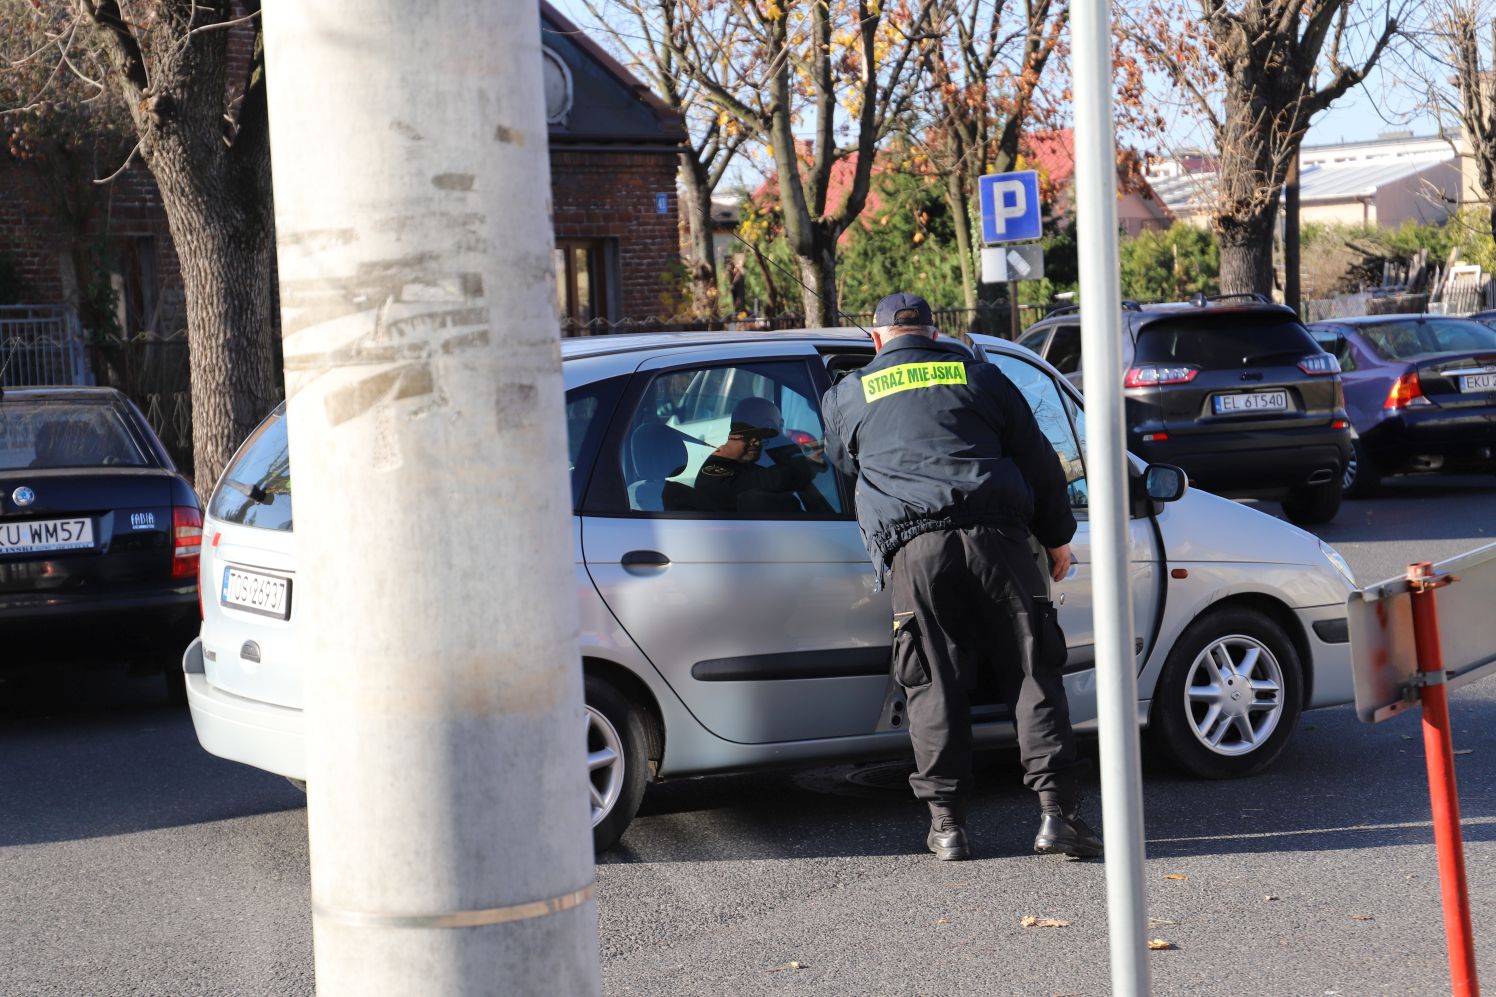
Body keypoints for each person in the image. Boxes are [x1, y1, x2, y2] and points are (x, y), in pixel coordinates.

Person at [820, 291, 1100, 861]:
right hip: (1000, 540)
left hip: (916, 550)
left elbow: (841, 466)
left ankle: (948, 827)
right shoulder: (984, 377)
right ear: (934, 333)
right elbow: (1040, 462)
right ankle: (1057, 819)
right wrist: (1056, 536)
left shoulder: (848, 393)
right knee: (1031, 671)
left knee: (933, 681)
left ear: (876, 340)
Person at [694, 396, 829, 514]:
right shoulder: (714, 477)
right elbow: (759, 482)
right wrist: (805, 466)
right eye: (778, 427)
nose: (762, 443)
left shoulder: (744, 466)